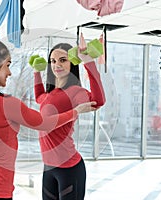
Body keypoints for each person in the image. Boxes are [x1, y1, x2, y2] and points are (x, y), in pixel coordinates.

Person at [0, 39, 98, 200]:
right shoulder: (5, 104)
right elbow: (44, 123)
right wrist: (76, 111)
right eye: (7, 65)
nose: (10, 72)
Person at [33, 43, 106, 200]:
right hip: (48, 167)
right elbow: (39, 97)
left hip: (69, 168)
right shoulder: (50, 94)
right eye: (53, 61)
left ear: (72, 62)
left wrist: (88, 61)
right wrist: (36, 72)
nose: (56, 65)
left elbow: (98, 101)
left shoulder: (75, 92)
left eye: (62, 60)